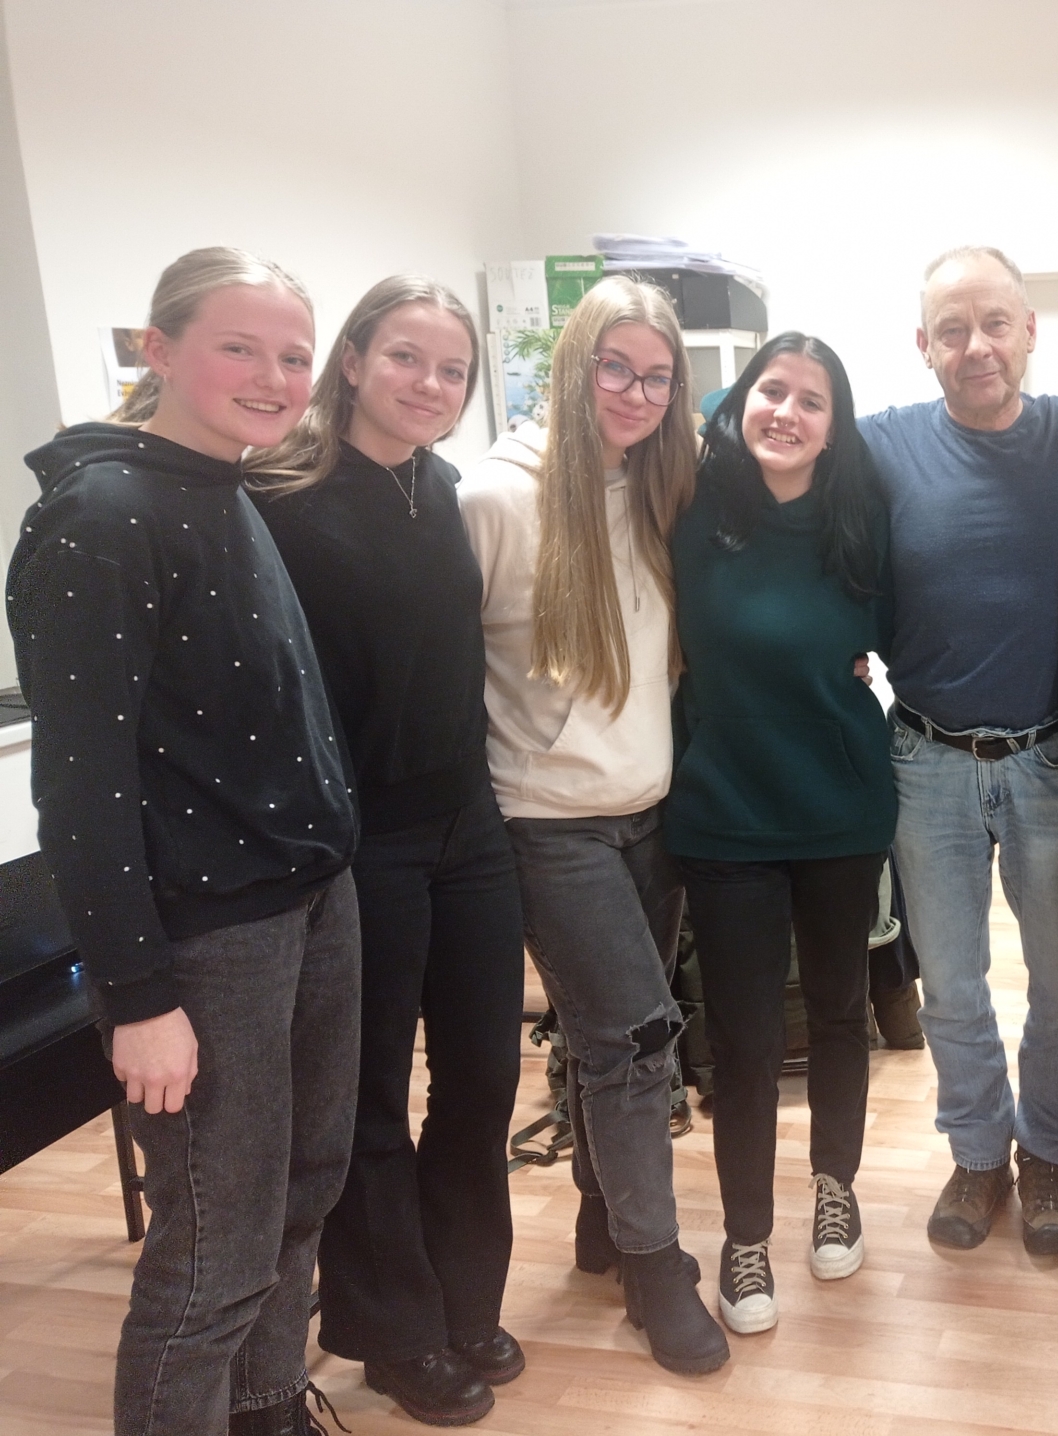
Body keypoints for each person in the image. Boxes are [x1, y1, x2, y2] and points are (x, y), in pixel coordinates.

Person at [5, 247, 360, 1436]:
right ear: (158, 349)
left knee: (301, 1192)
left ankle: (266, 1408)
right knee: (213, 1250)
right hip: (210, 945)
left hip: (310, 903)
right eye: (238, 347)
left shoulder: (222, 485)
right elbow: (81, 786)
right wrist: (139, 993)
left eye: (293, 356)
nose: (272, 378)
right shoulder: (100, 518)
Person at [248, 277, 524, 1426]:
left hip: (470, 826)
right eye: (406, 356)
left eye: (452, 369)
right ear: (354, 360)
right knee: (368, 1097)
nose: (430, 383)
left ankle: (464, 1298)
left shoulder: (443, 487)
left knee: (484, 1076)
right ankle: (395, 1331)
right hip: (364, 841)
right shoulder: (280, 500)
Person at [459, 275, 729, 1376]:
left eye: (657, 377)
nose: (635, 393)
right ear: (575, 365)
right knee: (638, 1041)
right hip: (547, 822)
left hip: (649, 814)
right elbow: (445, 673)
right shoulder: (494, 498)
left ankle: (599, 1217)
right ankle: (655, 1267)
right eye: (615, 367)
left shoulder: (661, 486)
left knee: (601, 1038)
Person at [860, 247, 1058, 1256]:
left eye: (995, 323)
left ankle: (1047, 1153)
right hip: (928, 760)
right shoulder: (880, 444)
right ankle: (975, 1152)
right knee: (952, 986)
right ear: (924, 345)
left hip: (1052, 757)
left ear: (1030, 329)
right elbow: (761, 467)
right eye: (952, 330)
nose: (976, 347)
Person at [667, 332, 894, 1335]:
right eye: (772, 390)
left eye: (812, 399)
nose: (787, 412)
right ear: (740, 400)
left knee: (840, 1012)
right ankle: (746, 1233)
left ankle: (836, 1185)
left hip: (841, 807)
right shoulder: (693, 511)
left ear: (835, 426)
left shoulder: (860, 526)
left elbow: (906, 633)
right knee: (746, 1036)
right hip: (725, 814)